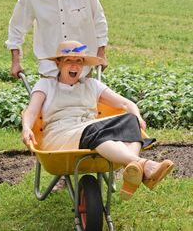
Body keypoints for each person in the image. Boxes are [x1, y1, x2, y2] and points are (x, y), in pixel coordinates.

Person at [22, 40, 174, 201]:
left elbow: (125, 103)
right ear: (58, 64)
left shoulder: (92, 85)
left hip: (91, 131)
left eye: (79, 61)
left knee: (130, 120)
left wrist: (137, 116)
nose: (74, 66)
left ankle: (134, 169)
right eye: (69, 61)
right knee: (96, 130)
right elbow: (31, 112)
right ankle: (144, 165)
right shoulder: (46, 85)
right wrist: (26, 128)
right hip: (60, 135)